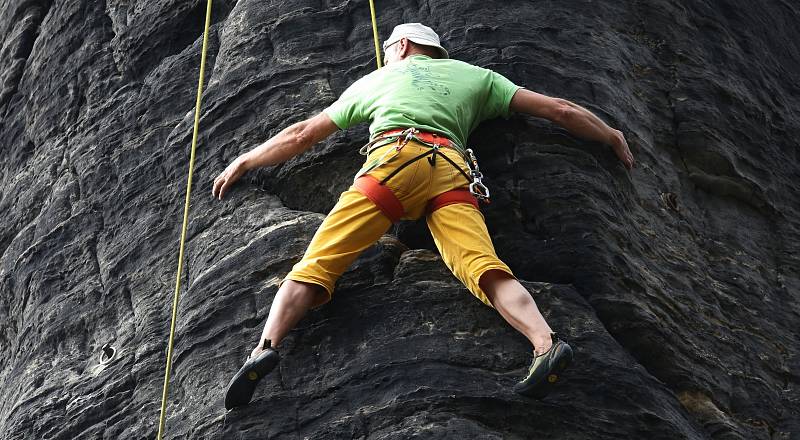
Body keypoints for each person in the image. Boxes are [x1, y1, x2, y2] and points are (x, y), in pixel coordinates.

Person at [215, 23, 635, 409]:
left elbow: (303, 133)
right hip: (451, 172)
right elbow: (559, 109)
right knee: (482, 266)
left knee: (319, 263)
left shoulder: (379, 78)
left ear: (400, 46)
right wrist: (611, 134)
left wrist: (247, 160)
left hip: (392, 164)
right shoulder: (478, 76)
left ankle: (264, 348)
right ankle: (546, 343)